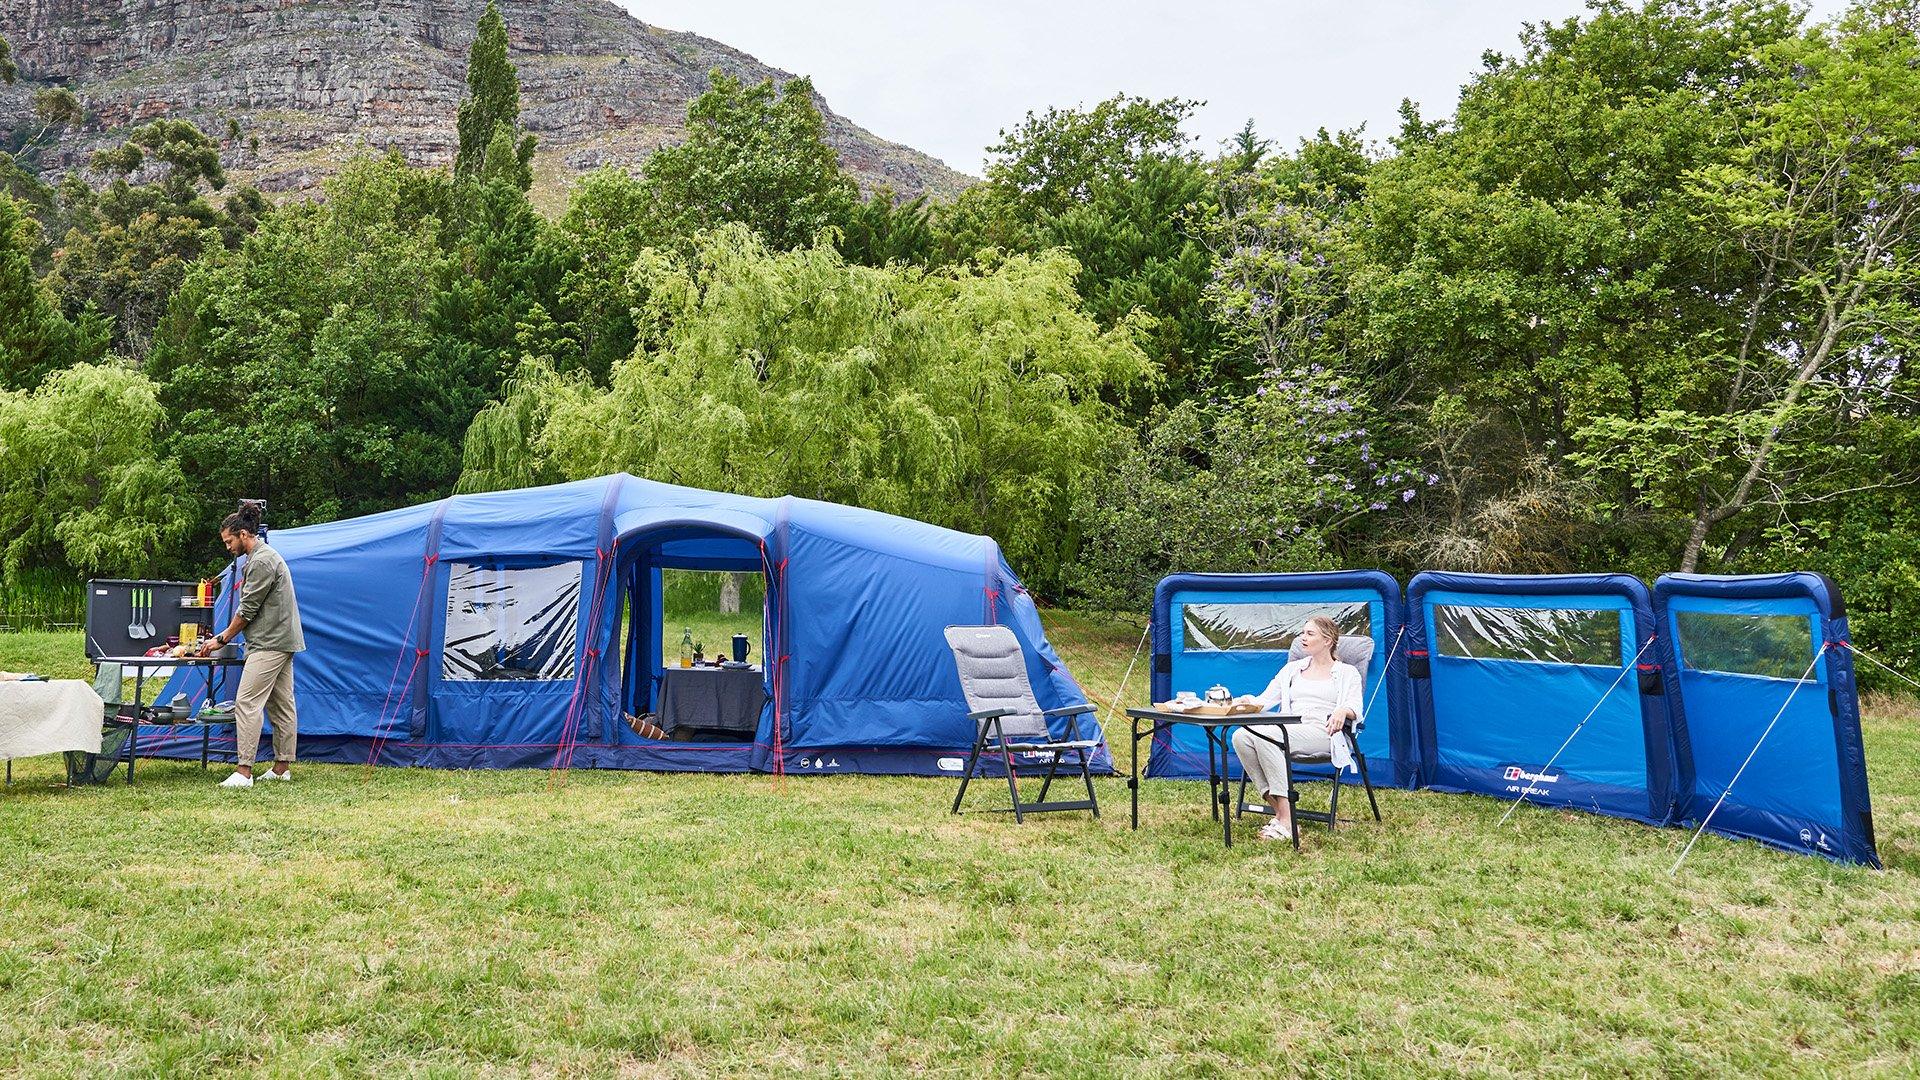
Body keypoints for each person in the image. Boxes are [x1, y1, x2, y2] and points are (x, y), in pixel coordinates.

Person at [197, 505, 304, 788]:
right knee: (281, 704)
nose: (228, 547)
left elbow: (247, 610)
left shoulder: (261, 561)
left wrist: (221, 639)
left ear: (243, 534)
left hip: (270, 643)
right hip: (282, 640)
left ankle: (244, 771)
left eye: (229, 541)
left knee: (246, 702)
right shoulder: (261, 558)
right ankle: (282, 768)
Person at [1230, 616, 1363, 841]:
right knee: (1241, 735)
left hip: (1325, 733)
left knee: (1267, 735)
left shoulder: (1347, 672)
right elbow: (1263, 700)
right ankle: (1285, 814)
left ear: (1328, 640)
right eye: (1303, 633)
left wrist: (1342, 711)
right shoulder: (1292, 670)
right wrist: (1241, 703)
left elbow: (1355, 706)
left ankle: (1286, 821)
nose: (1303, 638)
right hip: (1290, 729)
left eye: (1310, 634)